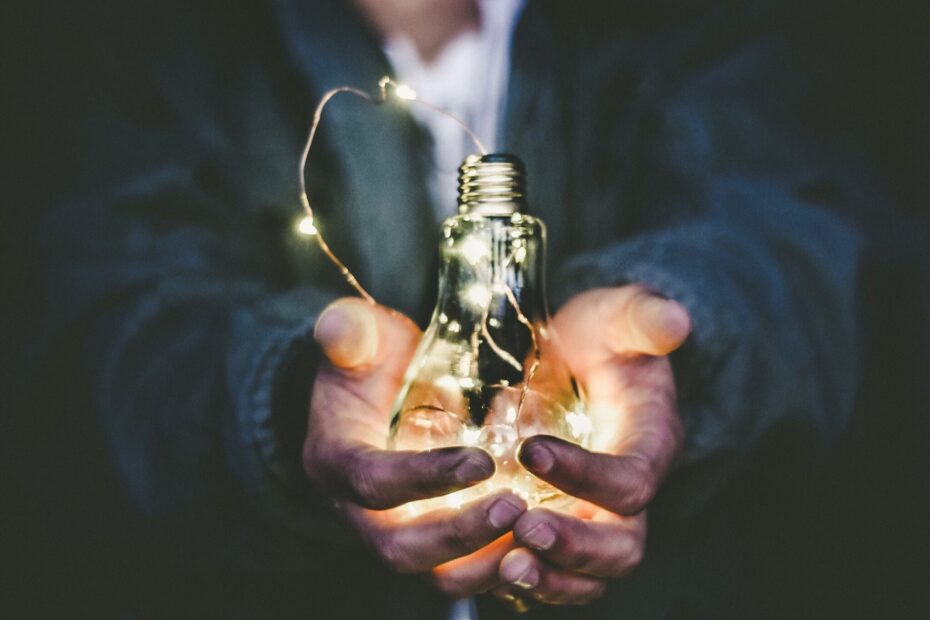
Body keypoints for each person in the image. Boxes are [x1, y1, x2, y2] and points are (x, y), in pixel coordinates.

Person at [25, 0, 926, 617]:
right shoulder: (176, 55)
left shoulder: (680, 30)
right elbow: (93, 317)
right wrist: (284, 393)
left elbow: (811, 233)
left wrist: (678, 338)